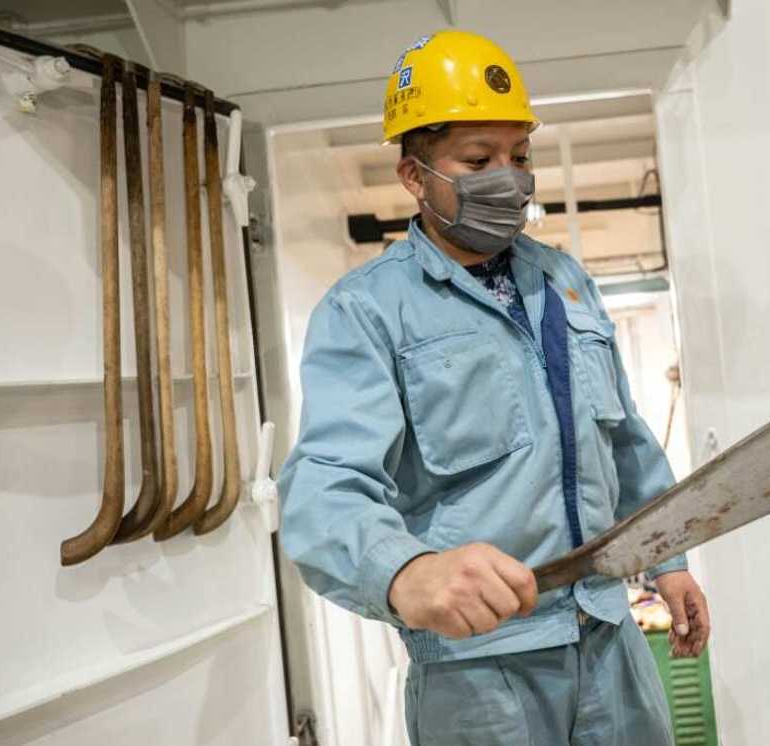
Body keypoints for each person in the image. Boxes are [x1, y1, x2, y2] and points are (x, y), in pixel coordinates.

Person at [277, 29, 711, 746]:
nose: (507, 179)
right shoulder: (367, 311)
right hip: (482, 670)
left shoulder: (566, 283)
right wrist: (407, 573)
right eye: (478, 160)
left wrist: (669, 560)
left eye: (520, 157)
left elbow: (625, 442)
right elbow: (325, 487)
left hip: (609, 639)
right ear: (414, 175)